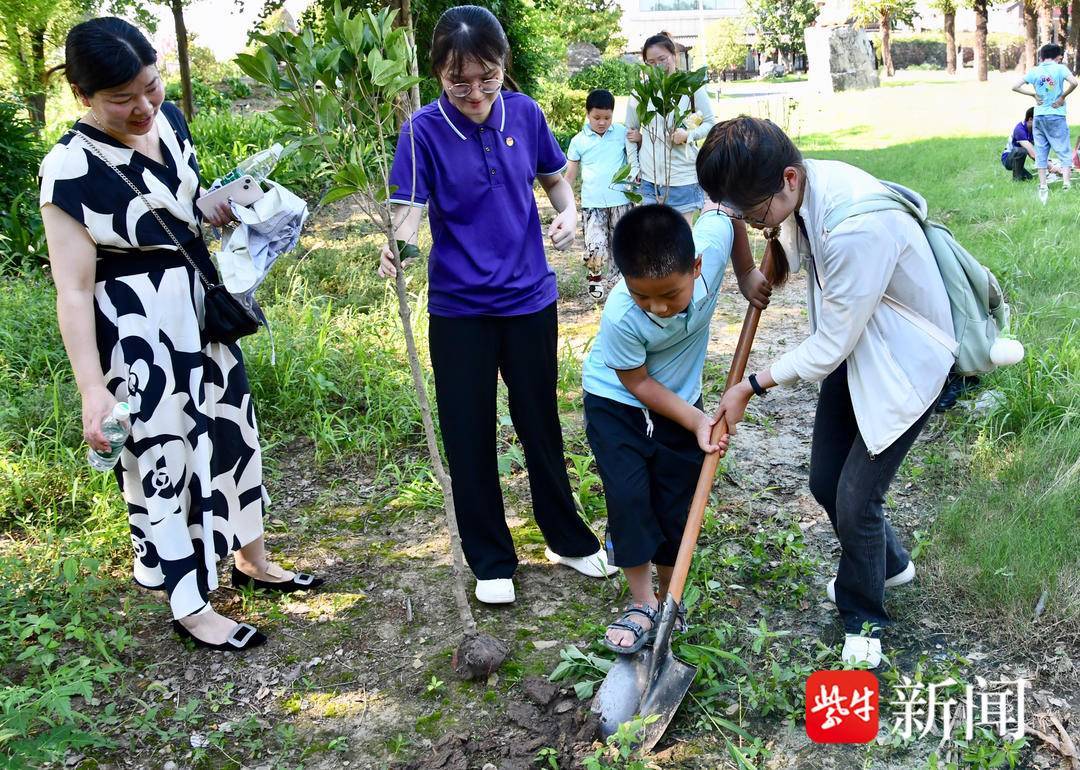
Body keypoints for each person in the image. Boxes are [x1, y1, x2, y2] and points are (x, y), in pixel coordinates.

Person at [40, 18, 322, 652]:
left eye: (150, 86)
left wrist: (217, 206)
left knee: (230, 433)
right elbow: (74, 290)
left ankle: (251, 557)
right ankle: (190, 602)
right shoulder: (68, 169)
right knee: (165, 462)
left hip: (202, 312)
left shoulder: (169, 125)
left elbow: (183, 207)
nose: (142, 107)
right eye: (121, 99)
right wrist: (92, 388)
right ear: (84, 96)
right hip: (139, 335)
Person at [379, 5, 614, 605]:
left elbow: (556, 179)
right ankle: (490, 559)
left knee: (540, 421)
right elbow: (408, 212)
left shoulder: (527, 113)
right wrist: (395, 252)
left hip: (529, 298)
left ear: (502, 67)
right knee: (469, 430)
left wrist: (566, 212)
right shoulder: (422, 132)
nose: (475, 92)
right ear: (438, 75)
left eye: (487, 78)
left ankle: (566, 538)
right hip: (459, 309)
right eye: (460, 82)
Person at [700, 117, 955, 668]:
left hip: (904, 360)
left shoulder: (856, 225)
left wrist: (751, 385)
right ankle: (890, 563)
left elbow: (829, 346)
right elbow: (801, 247)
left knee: (858, 498)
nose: (749, 223)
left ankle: (864, 620)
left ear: (788, 177)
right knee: (823, 480)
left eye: (752, 212)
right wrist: (777, 256)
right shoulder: (807, 187)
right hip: (861, 348)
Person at [581, 204, 771, 653]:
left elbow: (728, 213)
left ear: (697, 267)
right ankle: (644, 604)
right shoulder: (622, 316)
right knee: (628, 499)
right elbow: (639, 382)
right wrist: (698, 420)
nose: (658, 307)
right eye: (642, 295)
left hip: (683, 402)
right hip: (618, 403)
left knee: (674, 502)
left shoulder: (708, 249)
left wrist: (745, 274)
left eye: (669, 293)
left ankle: (671, 600)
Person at [625, 33, 717, 224]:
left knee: (680, 241)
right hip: (649, 180)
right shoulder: (641, 92)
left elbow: (711, 124)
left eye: (662, 59)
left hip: (682, 179)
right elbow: (630, 132)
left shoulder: (691, 87)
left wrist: (688, 135)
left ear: (674, 56)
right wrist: (635, 168)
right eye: (650, 62)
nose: (656, 66)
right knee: (651, 240)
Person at [565, 89, 633, 301]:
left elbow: (635, 153)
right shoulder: (578, 141)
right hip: (592, 203)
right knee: (595, 244)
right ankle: (595, 277)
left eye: (607, 118)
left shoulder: (622, 133)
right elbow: (570, 176)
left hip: (621, 201)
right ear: (587, 114)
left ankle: (618, 287)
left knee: (620, 244)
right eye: (597, 117)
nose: (602, 122)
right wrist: (565, 206)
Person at [1013, 43, 1077, 203]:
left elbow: (1015, 86)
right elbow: (1074, 83)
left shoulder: (1035, 71)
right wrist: (1062, 97)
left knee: (1041, 151)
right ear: (1057, 56)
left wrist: (1034, 95)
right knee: (1063, 148)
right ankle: (1067, 183)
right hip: (1056, 115)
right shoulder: (1060, 68)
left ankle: (1043, 185)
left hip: (1040, 116)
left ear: (1042, 56)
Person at [1001, 107, 1036, 181]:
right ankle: (1016, 179)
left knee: (1030, 179)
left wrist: (1048, 161)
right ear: (1030, 119)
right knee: (1021, 150)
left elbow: (1036, 150)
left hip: (1018, 159)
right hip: (1008, 159)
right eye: (1038, 121)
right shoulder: (1019, 129)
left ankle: (1019, 177)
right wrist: (1050, 167)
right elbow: (1032, 154)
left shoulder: (1033, 130)